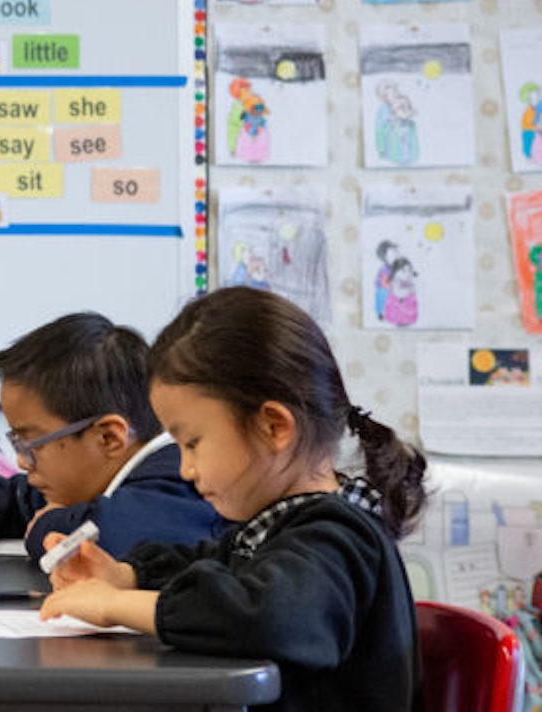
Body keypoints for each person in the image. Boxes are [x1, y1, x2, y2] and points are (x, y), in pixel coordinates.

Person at [40, 287, 426, 712]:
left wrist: (116, 604)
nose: (186, 468)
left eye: (193, 443)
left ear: (273, 427)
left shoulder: (338, 538)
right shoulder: (282, 527)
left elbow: (270, 617)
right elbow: (215, 562)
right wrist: (126, 576)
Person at [0, 313, 227, 562]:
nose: (23, 462)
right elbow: (22, 498)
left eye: (31, 444)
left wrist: (47, 527)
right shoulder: (93, 478)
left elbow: (118, 538)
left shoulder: (178, 477)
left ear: (108, 438)